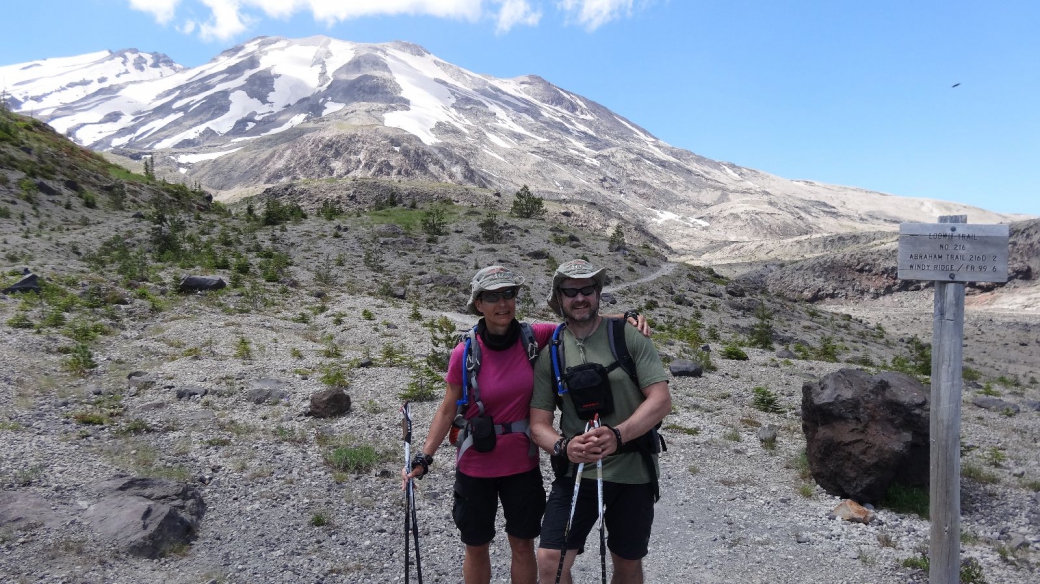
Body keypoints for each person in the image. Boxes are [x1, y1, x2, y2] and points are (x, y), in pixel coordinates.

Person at [403, 265, 648, 584]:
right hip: (476, 466)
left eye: (508, 294)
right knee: (476, 546)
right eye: (492, 297)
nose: (502, 303)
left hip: (521, 466)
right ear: (478, 304)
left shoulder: (535, 336)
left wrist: (626, 317)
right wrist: (424, 456)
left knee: (523, 544)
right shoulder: (464, 354)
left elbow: (581, 320)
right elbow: (447, 410)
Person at [529, 259, 672, 584]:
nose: (580, 298)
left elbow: (661, 399)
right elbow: (538, 424)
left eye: (587, 290)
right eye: (570, 291)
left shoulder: (629, 336)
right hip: (576, 472)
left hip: (633, 470)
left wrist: (618, 436)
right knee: (551, 560)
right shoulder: (551, 351)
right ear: (559, 298)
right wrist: (564, 447)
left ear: (598, 293)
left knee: (627, 563)